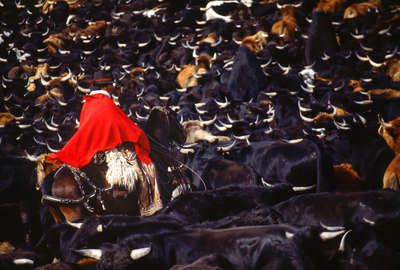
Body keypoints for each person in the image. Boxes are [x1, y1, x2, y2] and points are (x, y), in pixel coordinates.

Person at [48, 71, 163, 216]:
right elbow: (120, 125)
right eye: (112, 86)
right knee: (147, 167)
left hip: (91, 147)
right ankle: (148, 206)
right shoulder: (106, 102)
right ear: (108, 87)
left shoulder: (88, 102)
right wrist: (137, 134)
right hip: (109, 147)